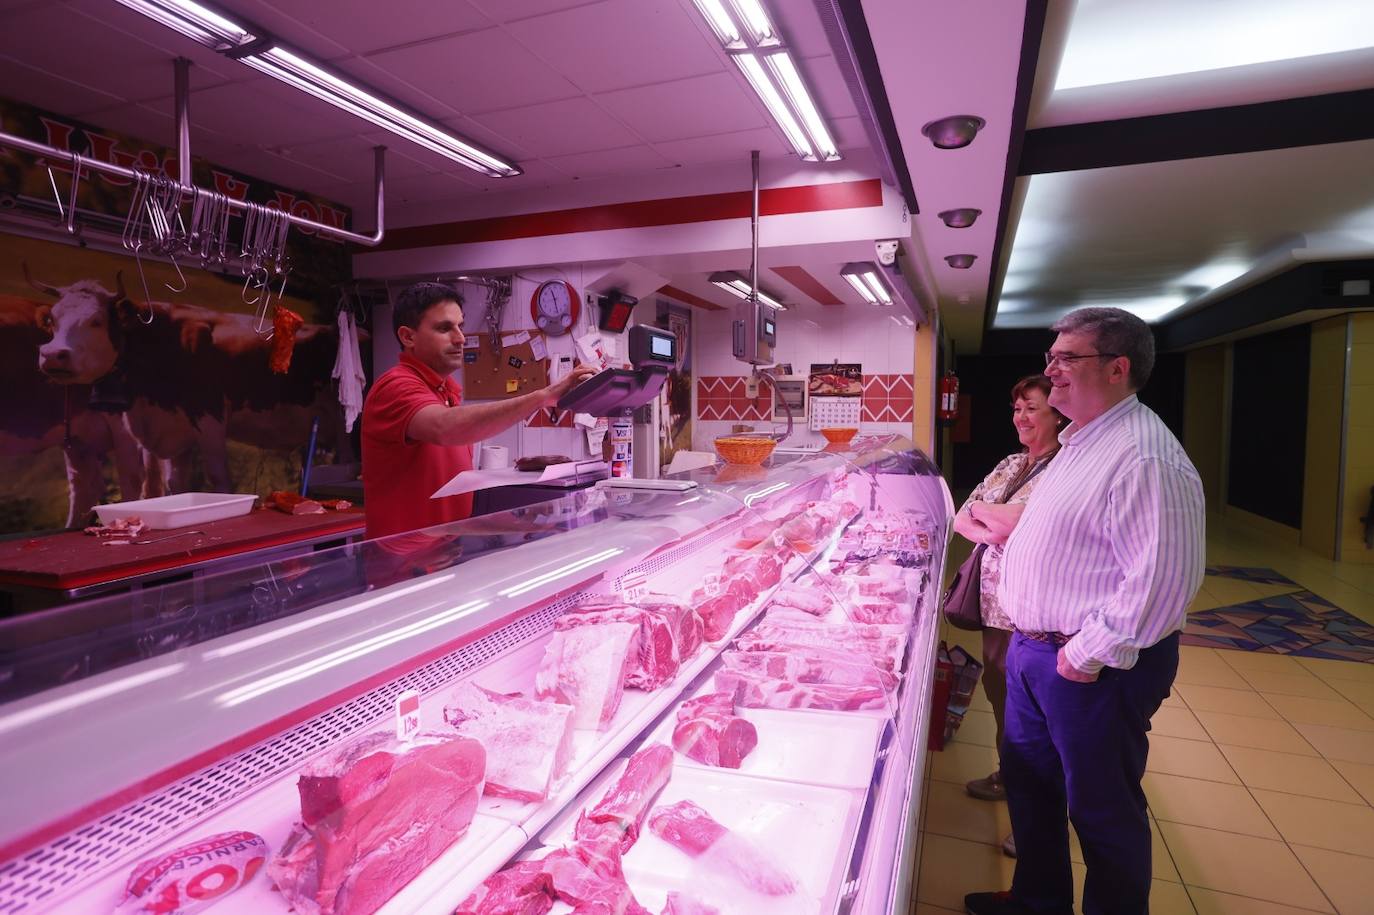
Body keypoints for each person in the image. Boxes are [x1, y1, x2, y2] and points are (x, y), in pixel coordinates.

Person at [965, 308, 1205, 915]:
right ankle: (1037, 902)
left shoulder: (1145, 455)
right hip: (1032, 650)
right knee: (1032, 789)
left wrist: (1082, 655)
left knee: (1101, 810)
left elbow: (1163, 580)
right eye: (1052, 358)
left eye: (1066, 359)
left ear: (1118, 368)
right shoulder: (1080, 440)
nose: (1051, 371)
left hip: (1090, 667)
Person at [361, 282, 597, 541]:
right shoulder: (396, 386)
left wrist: (532, 527)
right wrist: (543, 397)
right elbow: (444, 428)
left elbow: (450, 519)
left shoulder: (446, 393)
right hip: (404, 568)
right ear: (408, 337)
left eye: (460, 326)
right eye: (444, 328)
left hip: (443, 557)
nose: (460, 338)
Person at [952, 375, 1065, 859]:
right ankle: (1008, 777)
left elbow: (1027, 523)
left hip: (1037, 612)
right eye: (1016, 409)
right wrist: (990, 515)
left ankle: (1037, 821)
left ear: (1058, 414)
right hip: (995, 605)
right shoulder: (1012, 462)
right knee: (1003, 704)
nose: (1021, 418)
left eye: (1032, 409)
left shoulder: (1067, 467)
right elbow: (963, 516)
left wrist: (992, 516)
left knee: (1037, 718)